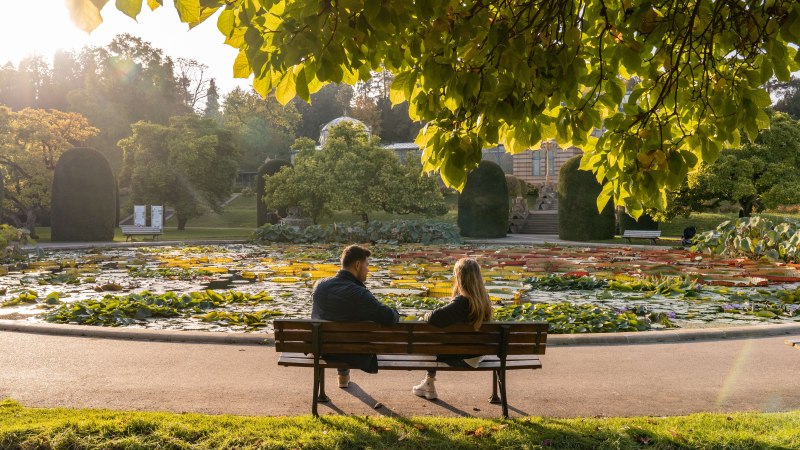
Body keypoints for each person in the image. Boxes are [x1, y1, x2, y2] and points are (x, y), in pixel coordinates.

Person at [311, 244, 399, 388]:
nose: (368, 269)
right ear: (358, 265)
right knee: (355, 319)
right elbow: (388, 317)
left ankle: (342, 374)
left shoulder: (320, 285)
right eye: (367, 265)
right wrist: (396, 313)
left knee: (339, 316)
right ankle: (343, 373)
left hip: (321, 348)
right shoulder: (359, 293)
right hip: (352, 352)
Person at [412, 258, 493, 400]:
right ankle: (428, 383)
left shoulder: (462, 302)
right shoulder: (484, 299)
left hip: (462, 357)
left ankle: (429, 383)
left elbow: (434, 318)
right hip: (478, 354)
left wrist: (423, 316)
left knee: (431, 339)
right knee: (441, 339)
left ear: (460, 277)